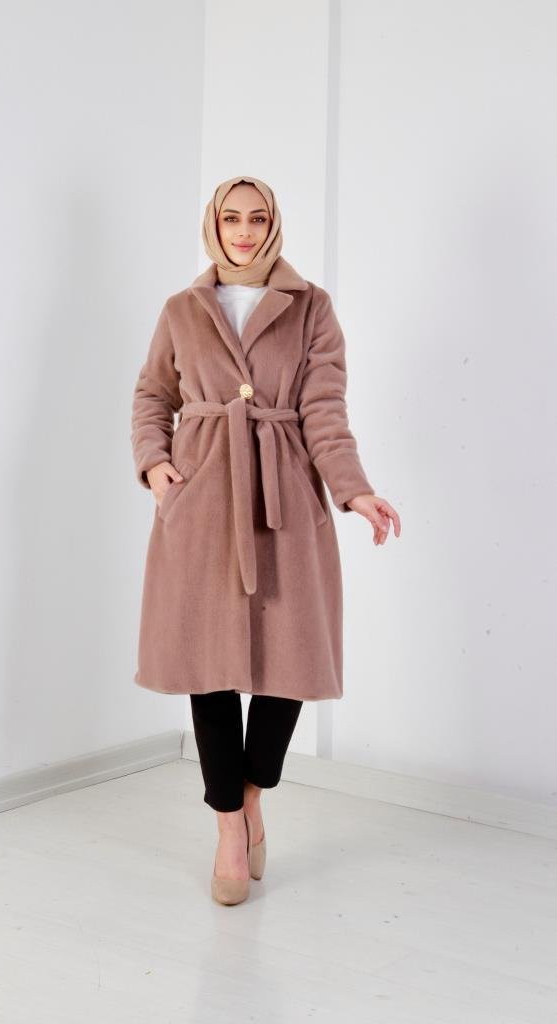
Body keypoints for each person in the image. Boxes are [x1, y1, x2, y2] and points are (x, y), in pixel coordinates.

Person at [130, 174, 400, 906]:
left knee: (291, 662)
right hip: (201, 498)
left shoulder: (312, 307)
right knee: (207, 663)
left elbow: (325, 409)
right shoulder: (182, 309)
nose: (244, 232)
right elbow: (153, 394)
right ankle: (228, 827)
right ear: (212, 225)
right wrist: (155, 464)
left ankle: (252, 795)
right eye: (231, 218)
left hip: (285, 498)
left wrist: (353, 489)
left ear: (273, 225)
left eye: (256, 219)